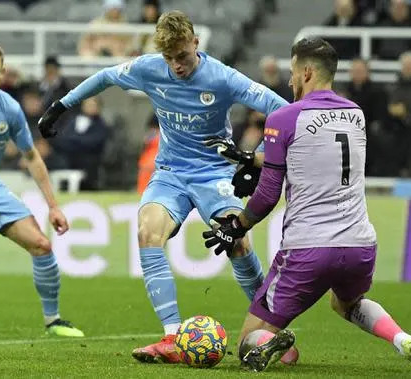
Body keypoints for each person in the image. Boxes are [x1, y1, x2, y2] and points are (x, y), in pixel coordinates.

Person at [37, 11, 288, 363]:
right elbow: (106, 76)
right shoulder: (149, 67)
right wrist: (60, 106)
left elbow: (284, 111)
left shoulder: (223, 77)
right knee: (146, 232)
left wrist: (256, 157)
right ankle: (172, 337)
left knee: (238, 241)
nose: (177, 66)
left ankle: (272, 329)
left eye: (182, 57)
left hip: (214, 174)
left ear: (195, 45)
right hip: (169, 173)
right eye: (169, 58)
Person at [202, 37, 411, 373]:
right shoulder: (355, 114)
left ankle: (274, 338)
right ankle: (402, 339)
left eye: (292, 73)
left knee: (247, 343)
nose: (289, 81)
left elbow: (267, 195)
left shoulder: (284, 118)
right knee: (347, 303)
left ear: (305, 72)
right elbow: (315, 156)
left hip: (309, 248)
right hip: (359, 244)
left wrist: (237, 226)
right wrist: (253, 159)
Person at [0, 41, 83, 337]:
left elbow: (32, 156)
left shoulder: (9, 109)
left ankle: (53, 320)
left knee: (42, 245)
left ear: (3, 73)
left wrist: (53, 206)